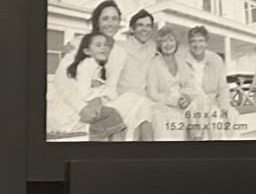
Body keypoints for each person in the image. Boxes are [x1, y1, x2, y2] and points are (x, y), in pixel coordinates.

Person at [48, 32, 123, 140]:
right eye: (98, 45)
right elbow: (84, 94)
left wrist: (99, 88)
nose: (103, 48)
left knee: (109, 118)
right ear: (87, 51)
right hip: (73, 112)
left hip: (81, 108)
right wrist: (101, 91)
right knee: (113, 114)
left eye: (105, 45)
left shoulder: (95, 66)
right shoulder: (88, 63)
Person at [102, 8, 159, 142]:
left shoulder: (152, 48)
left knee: (151, 116)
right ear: (132, 29)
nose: (144, 29)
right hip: (122, 98)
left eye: (148, 26)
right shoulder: (119, 47)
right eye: (140, 25)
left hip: (144, 99)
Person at [180, 26, 232, 141]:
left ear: (206, 43)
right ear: (189, 43)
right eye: (193, 41)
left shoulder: (216, 60)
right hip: (191, 104)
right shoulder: (181, 60)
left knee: (216, 120)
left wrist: (224, 108)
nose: (197, 45)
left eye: (200, 41)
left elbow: (223, 88)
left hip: (211, 103)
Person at [144, 27, 195, 142]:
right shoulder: (154, 63)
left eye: (171, 40)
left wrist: (187, 97)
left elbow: (189, 85)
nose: (168, 44)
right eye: (164, 41)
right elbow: (152, 93)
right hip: (160, 104)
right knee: (169, 119)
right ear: (159, 44)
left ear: (176, 43)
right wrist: (173, 101)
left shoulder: (181, 61)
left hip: (182, 103)